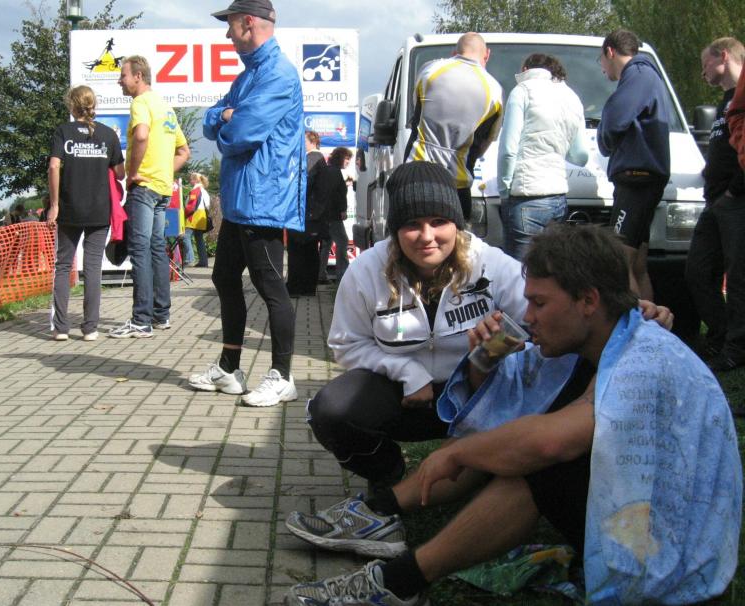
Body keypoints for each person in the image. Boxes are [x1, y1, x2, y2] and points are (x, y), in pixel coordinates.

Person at [285, 224, 741, 606]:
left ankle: (398, 582)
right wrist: (484, 356)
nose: (529, 316)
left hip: (675, 558)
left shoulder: (644, 356)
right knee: (517, 438)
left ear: (588, 300)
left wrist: (456, 455)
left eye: (539, 303)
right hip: (640, 519)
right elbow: (504, 406)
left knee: (539, 467)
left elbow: (552, 441)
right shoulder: (605, 338)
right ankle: (382, 515)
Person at [306, 160, 529, 491]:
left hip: (478, 391)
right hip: (405, 396)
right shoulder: (366, 270)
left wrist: (494, 350)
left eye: (439, 222)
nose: (427, 237)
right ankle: (388, 472)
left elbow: (539, 325)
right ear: (395, 229)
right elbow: (346, 344)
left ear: (456, 224)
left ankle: (495, 472)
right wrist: (406, 371)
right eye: (412, 224)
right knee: (331, 410)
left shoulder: (490, 263)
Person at [189, 0, 305, 407]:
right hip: (241, 199)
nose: (227, 33)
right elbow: (212, 118)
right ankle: (229, 369)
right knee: (224, 278)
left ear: (249, 23)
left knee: (270, 285)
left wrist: (226, 120)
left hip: (263, 199)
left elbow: (241, 134)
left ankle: (283, 377)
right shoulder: (249, 75)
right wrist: (225, 116)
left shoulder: (278, 74)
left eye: (231, 25)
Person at [110, 55, 190, 338]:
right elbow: (184, 152)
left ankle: (140, 321)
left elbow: (141, 136)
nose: (119, 81)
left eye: (123, 75)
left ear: (138, 76)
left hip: (143, 188)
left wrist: (133, 173)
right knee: (157, 249)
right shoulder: (166, 108)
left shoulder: (140, 103)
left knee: (140, 250)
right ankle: (161, 315)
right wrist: (162, 171)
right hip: (162, 188)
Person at [597, 29, 671, 301]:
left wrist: (604, 142)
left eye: (601, 61)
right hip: (644, 176)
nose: (602, 68)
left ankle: (633, 325)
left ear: (610, 52)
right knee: (638, 264)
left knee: (620, 260)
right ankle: (650, 324)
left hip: (636, 177)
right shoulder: (647, 75)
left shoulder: (638, 75)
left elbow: (615, 120)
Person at [47, 85, 125, 342]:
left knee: (62, 266)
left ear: (72, 105)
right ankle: (90, 328)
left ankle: (61, 328)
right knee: (93, 268)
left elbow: (54, 166)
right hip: (99, 209)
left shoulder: (63, 131)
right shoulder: (108, 134)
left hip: (69, 208)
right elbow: (120, 173)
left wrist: (54, 205)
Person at [686, 38, 745, 372]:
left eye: (704, 63)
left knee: (737, 278)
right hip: (716, 202)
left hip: (735, 200)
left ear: (723, 56)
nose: (702, 71)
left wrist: (735, 190)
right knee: (697, 271)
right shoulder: (725, 101)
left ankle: (736, 348)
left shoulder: (742, 97)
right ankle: (721, 335)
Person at [498, 53, 588, 260]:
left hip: (526, 196)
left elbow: (509, 149)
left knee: (518, 271)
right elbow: (580, 156)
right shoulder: (571, 97)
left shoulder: (522, 91)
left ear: (526, 70)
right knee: (551, 269)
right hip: (558, 197)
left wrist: (504, 189)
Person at [404, 32, 503, 221]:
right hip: (456, 184)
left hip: (416, 173)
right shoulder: (494, 90)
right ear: (487, 55)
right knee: (455, 237)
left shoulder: (430, 71)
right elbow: (484, 142)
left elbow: (417, 117)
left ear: (454, 53)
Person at [286, 130, 326, 297]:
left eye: (303, 141)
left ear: (312, 142)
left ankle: (295, 287)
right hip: (313, 214)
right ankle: (308, 288)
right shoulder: (320, 159)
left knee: (297, 250)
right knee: (310, 251)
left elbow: (302, 184)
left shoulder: (312, 158)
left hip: (303, 213)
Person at [317, 146, 353, 284]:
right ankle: (343, 275)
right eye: (347, 158)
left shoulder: (330, 170)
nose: (348, 162)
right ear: (340, 158)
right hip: (333, 215)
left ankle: (321, 275)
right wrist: (342, 210)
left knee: (326, 244)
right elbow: (334, 195)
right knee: (342, 241)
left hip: (326, 215)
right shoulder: (334, 172)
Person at [183, 172, 211, 268]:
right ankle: (203, 261)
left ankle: (189, 259)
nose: (189, 181)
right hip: (202, 215)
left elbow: (191, 206)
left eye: (191, 179)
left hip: (194, 216)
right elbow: (208, 206)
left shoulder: (195, 190)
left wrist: (184, 214)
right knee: (199, 239)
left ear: (195, 180)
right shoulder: (204, 191)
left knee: (185, 236)